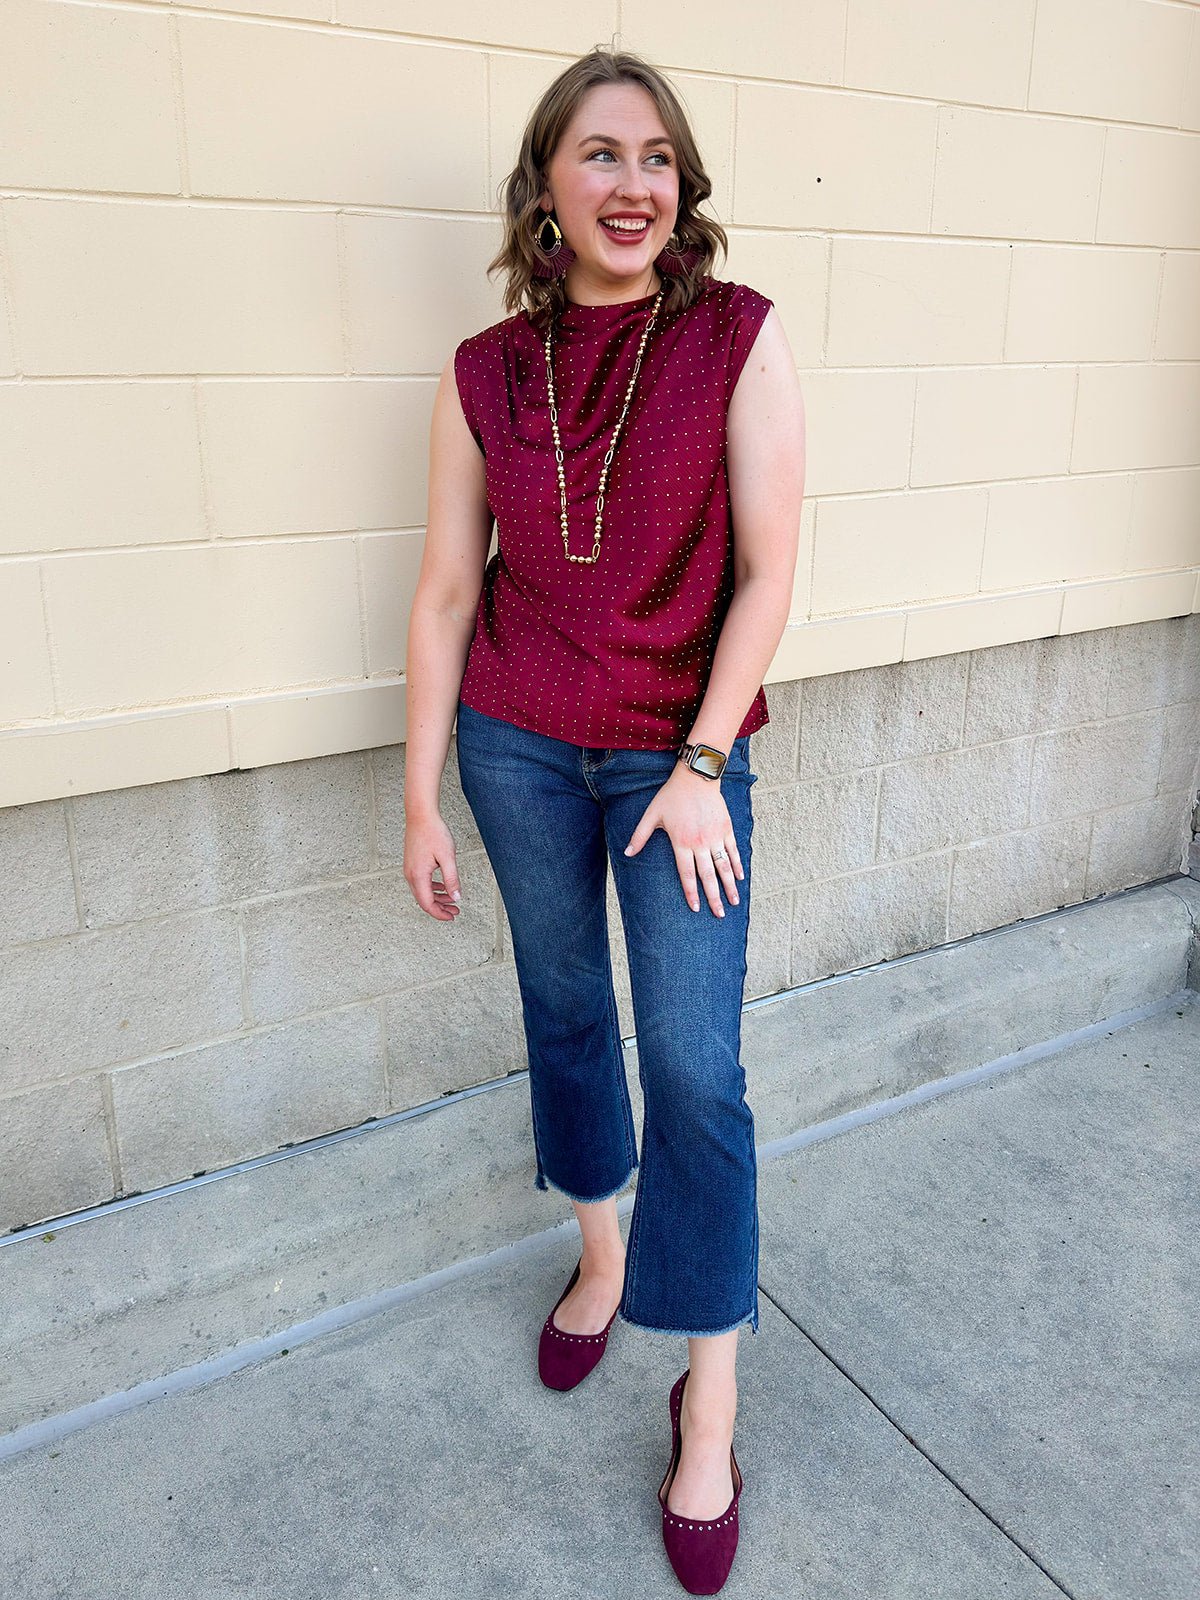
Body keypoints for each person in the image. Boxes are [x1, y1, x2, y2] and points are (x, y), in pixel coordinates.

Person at [404, 44, 805, 1595]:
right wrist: (420, 790)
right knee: (567, 1013)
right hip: (514, 743)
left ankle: (707, 1405)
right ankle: (601, 1252)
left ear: (681, 186)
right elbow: (450, 591)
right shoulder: (483, 372)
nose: (631, 183)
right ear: (546, 188)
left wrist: (702, 762)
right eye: (598, 154)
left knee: (697, 1067)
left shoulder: (736, 339)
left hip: (672, 760)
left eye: (655, 157)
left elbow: (768, 574)